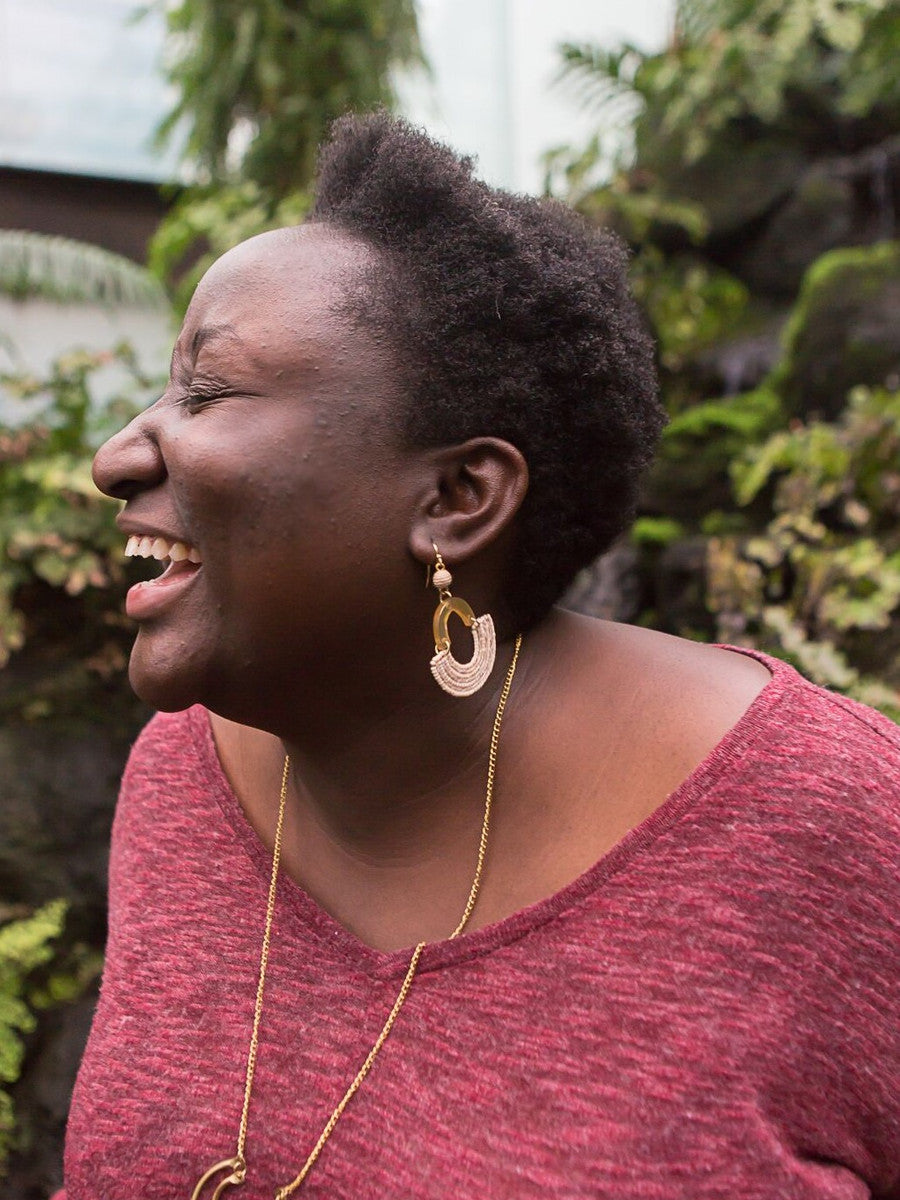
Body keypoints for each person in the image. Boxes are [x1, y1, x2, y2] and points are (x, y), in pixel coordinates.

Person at [60, 113, 898, 1199]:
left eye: (208, 392)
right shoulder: (180, 779)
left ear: (457, 499)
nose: (114, 455)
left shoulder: (829, 821)